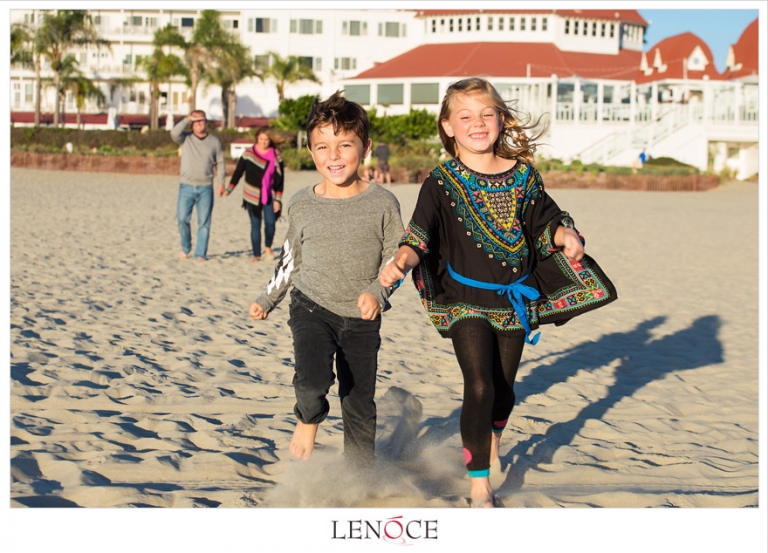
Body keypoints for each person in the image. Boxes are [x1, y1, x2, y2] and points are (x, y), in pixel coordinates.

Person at [379, 77, 617, 507]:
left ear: (502, 119)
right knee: (479, 385)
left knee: (504, 391)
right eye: (465, 116)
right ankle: (480, 484)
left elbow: (545, 223)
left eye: (487, 114)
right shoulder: (440, 181)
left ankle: (492, 438)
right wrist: (401, 261)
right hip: (463, 299)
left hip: (513, 301)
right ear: (448, 126)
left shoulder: (524, 176)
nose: (477, 123)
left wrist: (566, 235)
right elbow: (418, 236)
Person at [249, 91, 404, 469]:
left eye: (344, 144)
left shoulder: (383, 203)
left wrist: (378, 292)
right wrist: (268, 298)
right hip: (310, 305)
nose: (333, 156)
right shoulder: (302, 202)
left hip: (361, 317)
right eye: (322, 147)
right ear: (310, 150)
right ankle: (308, 420)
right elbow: (291, 257)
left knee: (359, 401)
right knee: (312, 380)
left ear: (366, 147)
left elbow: (396, 256)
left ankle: (360, 474)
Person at [219, 126, 284, 262]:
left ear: (270, 140)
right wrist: (229, 189)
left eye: (266, 139)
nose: (263, 142)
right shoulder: (249, 153)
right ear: (256, 139)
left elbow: (280, 179)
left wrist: (278, 199)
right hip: (251, 195)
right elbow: (238, 172)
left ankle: (268, 247)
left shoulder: (276, 155)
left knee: (270, 223)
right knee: (255, 224)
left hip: (270, 195)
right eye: (261, 139)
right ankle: (257, 255)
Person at [171, 110, 226, 262]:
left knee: (204, 223)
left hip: (206, 187)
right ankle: (186, 247)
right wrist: (186, 119)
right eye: (195, 121)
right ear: (192, 123)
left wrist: (221, 183)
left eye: (201, 120)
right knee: (182, 218)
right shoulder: (185, 138)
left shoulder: (214, 142)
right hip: (186, 186)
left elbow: (220, 162)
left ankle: (200, 253)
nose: (199, 124)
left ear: (206, 122)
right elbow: (174, 133)